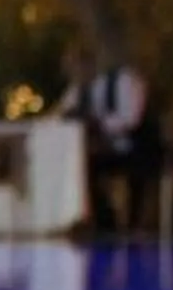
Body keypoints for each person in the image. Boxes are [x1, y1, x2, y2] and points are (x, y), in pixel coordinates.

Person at [58, 46, 163, 234]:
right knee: (84, 168)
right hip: (109, 148)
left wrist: (99, 124)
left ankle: (134, 225)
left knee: (137, 168)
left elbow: (130, 118)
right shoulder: (79, 90)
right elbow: (64, 113)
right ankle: (105, 223)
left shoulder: (122, 81)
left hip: (138, 145)